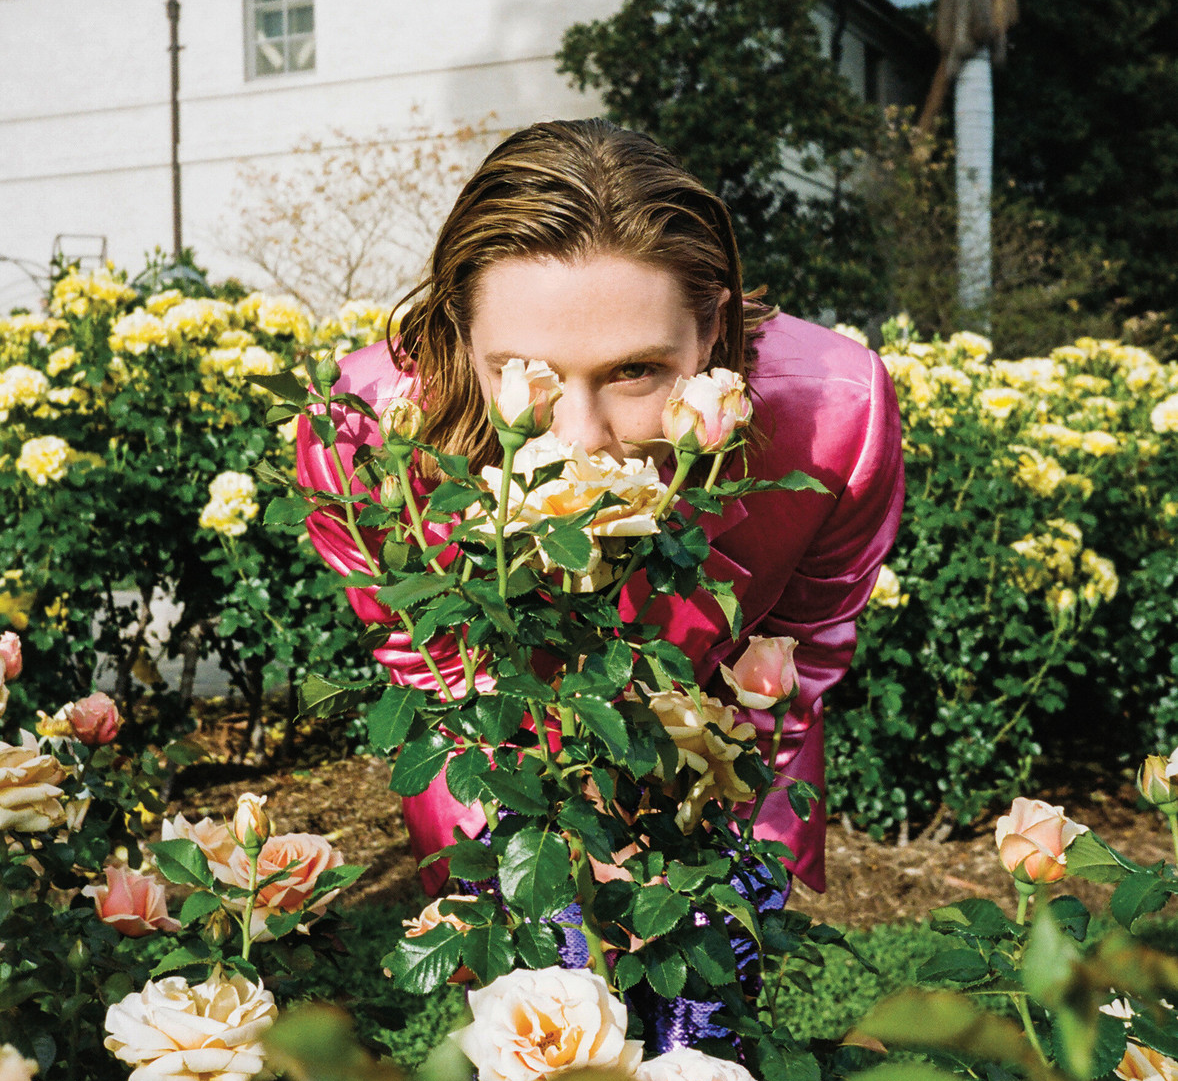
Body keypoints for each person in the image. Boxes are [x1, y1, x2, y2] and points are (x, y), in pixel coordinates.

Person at [296, 118, 903, 904]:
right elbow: (433, 664)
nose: (580, 437)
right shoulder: (361, 438)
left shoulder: (836, 422)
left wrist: (714, 838)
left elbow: (795, 655)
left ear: (710, 330)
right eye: (524, 371)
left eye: (635, 370)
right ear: (460, 332)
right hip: (500, 781)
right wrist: (536, 832)